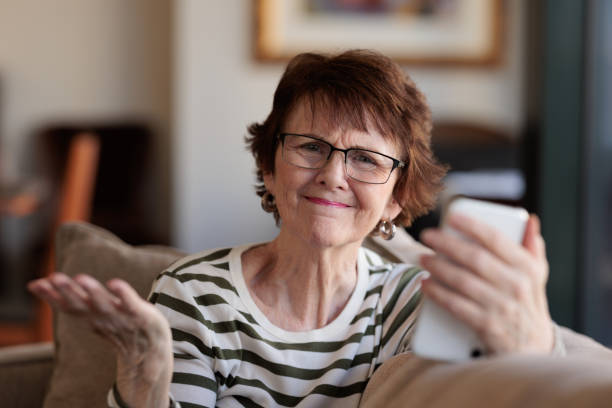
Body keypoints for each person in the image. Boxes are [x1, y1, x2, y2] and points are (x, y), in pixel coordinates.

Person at [28, 49, 558, 408]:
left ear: (397, 198)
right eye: (311, 147)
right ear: (269, 166)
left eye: (366, 159)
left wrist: (532, 341)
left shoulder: (415, 303)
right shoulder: (192, 295)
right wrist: (144, 373)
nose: (332, 175)